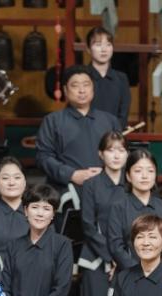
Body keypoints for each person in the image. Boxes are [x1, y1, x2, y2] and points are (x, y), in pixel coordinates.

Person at [35, 65, 121, 199]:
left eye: (86, 85)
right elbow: (43, 157)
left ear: (93, 88)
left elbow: (121, 155)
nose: (82, 90)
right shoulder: (52, 121)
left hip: (106, 191)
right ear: (65, 90)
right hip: (66, 191)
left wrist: (107, 172)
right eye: (75, 85)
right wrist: (72, 174)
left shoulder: (110, 121)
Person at [79, 131, 128, 296]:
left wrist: (122, 257)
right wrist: (111, 256)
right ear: (101, 154)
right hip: (97, 258)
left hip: (128, 258)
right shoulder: (91, 184)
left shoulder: (132, 184)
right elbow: (88, 226)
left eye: (121, 150)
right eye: (110, 150)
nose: (116, 155)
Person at [108, 149, 162, 270]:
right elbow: (116, 247)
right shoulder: (118, 207)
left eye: (150, 171)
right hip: (129, 276)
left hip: (161, 277)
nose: (145, 176)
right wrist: (139, 272)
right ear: (128, 176)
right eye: (138, 170)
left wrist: (160, 272)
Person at [0, 156, 28, 263]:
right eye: (5, 178)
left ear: (25, 182)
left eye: (17, 177)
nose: (11, 182)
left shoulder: (37, 212)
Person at [86, 27, 131, 127]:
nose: (104, 49)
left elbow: (123, 114)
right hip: (86, 134)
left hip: (114, 137)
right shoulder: (82, 76)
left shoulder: (121, 78)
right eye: (98, 45)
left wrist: (114, 133)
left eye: (108, 45)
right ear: (88, 49)